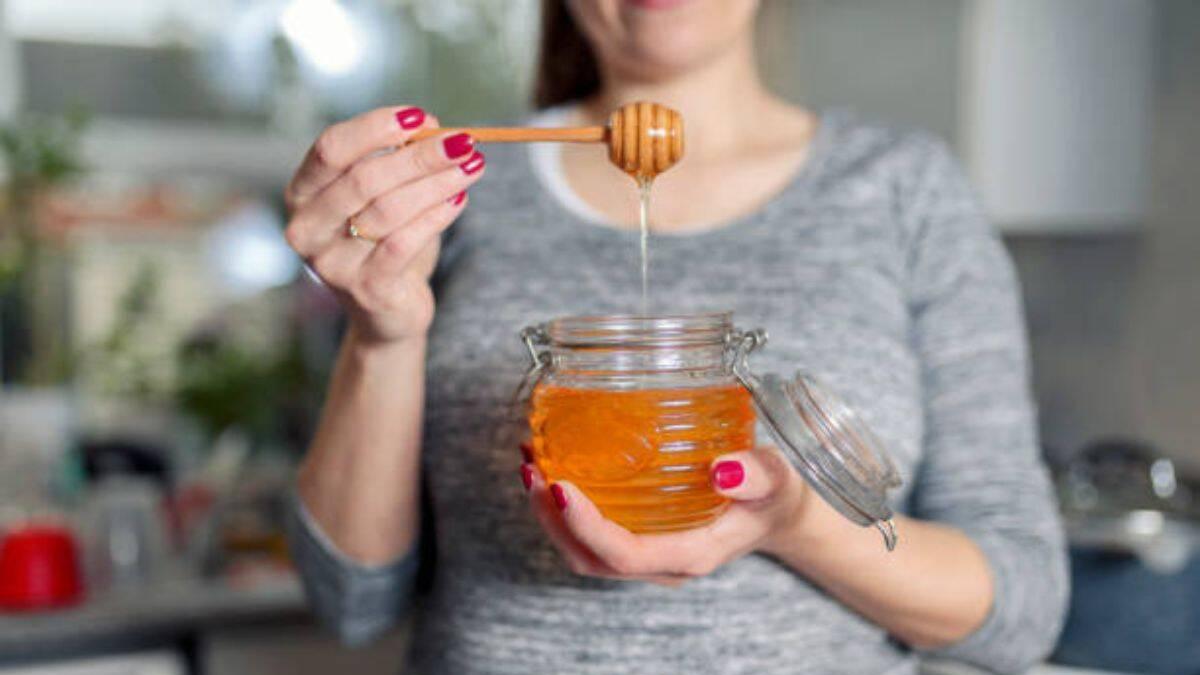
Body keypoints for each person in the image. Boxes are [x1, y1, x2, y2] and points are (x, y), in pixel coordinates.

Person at [283, 1, 1068, 672]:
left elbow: (1024, 602)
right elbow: (351, 604)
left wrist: (798, 526)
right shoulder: (447, 197)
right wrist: (383, 337)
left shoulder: (905, 189)